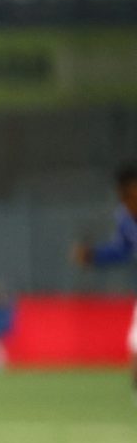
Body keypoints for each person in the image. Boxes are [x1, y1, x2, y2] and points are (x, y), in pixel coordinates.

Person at [71, 163, 137, 395]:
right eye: (122, 198)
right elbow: (123, 250)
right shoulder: (125, 218)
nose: (126, 203)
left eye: (129, 196)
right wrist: (93, 255)